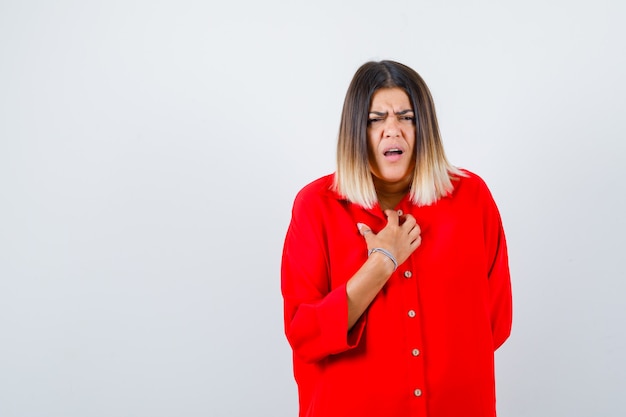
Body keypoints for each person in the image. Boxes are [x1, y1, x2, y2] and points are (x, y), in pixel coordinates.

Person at [281, 60, 512, 417]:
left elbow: (494, 324)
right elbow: (305, 336)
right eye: (376, 119)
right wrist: (381, 264)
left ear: (425, 129)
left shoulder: (472, 199)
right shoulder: (316, 207)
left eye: (407, 117)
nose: (393, 131)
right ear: (355, 130)